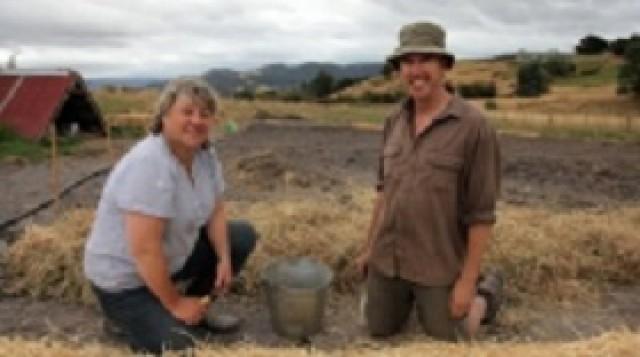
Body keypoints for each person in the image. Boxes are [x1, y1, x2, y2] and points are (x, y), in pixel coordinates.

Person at [84, 77, 257, 353]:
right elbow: (144, 250)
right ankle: (126, 319)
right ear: (164, 116)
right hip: (127, 281)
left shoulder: (204, 156)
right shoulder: (150, 164)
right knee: (180, 347)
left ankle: (196, 310)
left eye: (205, 113)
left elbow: (215, 210)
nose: (197, 121)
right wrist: (175, 303)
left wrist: (223, 258)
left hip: (170, 260)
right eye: (187, 112)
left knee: (240, 236)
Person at [356, 21, 502, 341]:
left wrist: (466, 281)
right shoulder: (394, 121)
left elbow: (482, 214)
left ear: (445, 66)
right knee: (378, 328)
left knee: (451, 334)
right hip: (389, 258)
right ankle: (405, 298)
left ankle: (486, 292)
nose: (416, 70)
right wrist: (369, 248)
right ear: (399, 69)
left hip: (437, 261)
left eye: (426, 60)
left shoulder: (474, 127)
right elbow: (384, 193)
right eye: (408, 61)